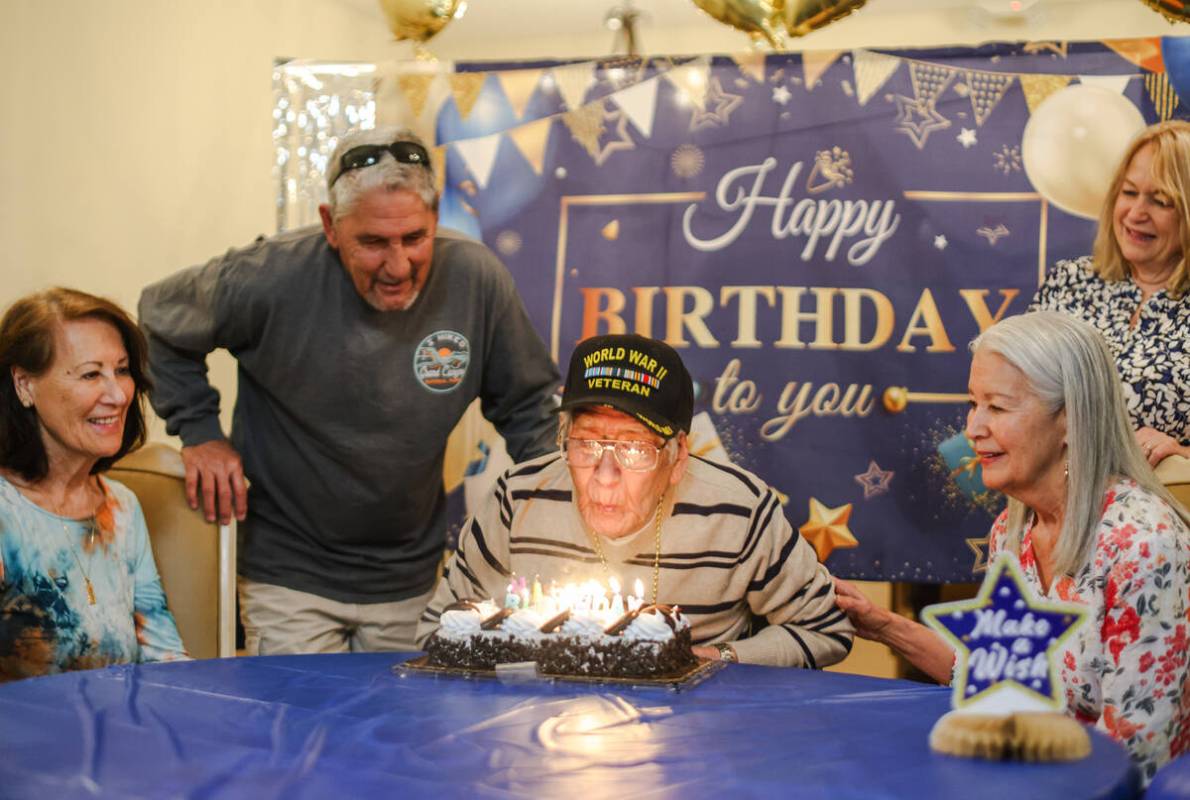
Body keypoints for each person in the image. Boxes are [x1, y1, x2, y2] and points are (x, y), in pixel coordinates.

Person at [138, 127, 560, 655]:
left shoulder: (476, 279)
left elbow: (528, 408)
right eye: (373, 242)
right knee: (301, 732)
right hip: (288, 575)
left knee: (401, 733)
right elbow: (158, 320)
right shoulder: (270, 275)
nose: (398, 266)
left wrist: (564, 503)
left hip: (411, 577)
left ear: (436, 221)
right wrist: (199, 430)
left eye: (415, 238)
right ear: (330, 226)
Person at [834, 312, 1189, 783]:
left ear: (1069, 420)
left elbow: (1140, 760)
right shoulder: (1011, 531)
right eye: (973, 404)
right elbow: (1002, 679)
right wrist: (885, 627)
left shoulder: (1146, 546)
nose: (973, 429)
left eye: (997, 408)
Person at [416, 333, 854, 667]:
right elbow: (437, 629)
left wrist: (718, 658)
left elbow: (827, 630)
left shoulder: (739, 511)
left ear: (678, 455)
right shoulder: (518, 500)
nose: (604, 478)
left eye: (634, 449)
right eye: (586, 443)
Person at [0, 288, 188, 681]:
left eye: (121, 370)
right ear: (24, 385)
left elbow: (162, 656)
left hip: (118, 735)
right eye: (91, 374)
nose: (118, 394)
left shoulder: (122, 506)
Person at [1029, 120, 1190, 466]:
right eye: (1129, 193)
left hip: (1162, 515)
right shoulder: (1068, 282)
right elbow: (1013, 395)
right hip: (1059, 511)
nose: (1136, 213)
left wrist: (1183, 455)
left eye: (1161, 201)